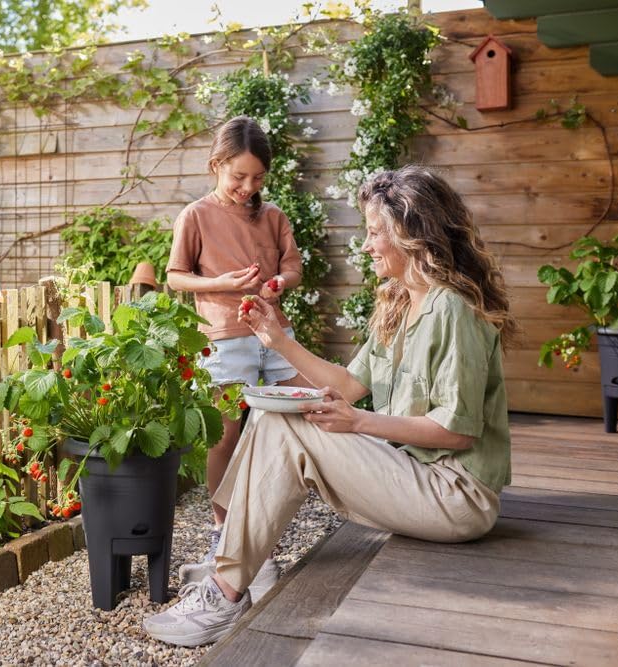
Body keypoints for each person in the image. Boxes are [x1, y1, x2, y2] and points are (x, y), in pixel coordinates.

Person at [145, 165, 520, 647]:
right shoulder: (404, 302)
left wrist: (358, 422)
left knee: (286, 426)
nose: (365, 246)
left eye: (374, 233)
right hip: (415, 476)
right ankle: (237, 570)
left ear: (411, 234)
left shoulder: (452, 310)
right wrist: (276, 339)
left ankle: (227, 586)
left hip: (455, 495)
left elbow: (457, 433)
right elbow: (349, 383)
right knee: (273, 413)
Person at [164, 115, 306, 601]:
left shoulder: (274, 217)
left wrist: (278, 283)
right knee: (225, 434)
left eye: (258, 178)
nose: (249, 187)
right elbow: (175, 277)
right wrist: (221, 285)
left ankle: (268, 526)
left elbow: (292, 267)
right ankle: (224, 533)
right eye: (238, 176)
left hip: (274, 334)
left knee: (294, 423)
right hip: (224, 338)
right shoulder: (196, 216)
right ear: (216, 166)